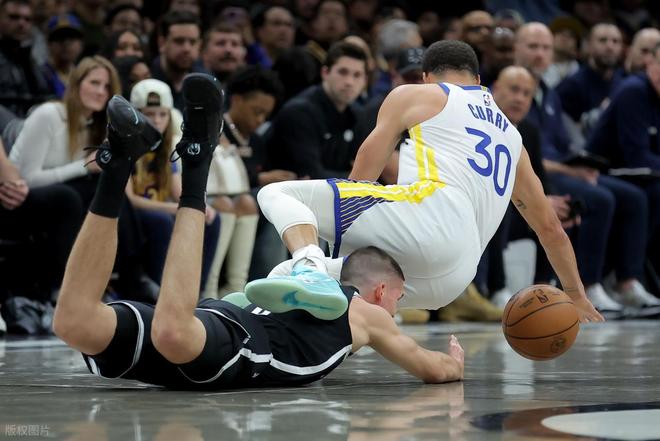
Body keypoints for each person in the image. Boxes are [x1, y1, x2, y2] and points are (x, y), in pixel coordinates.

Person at [52, 74, 465, 389]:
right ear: (380, 290)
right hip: (232, 344)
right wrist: (453, 364)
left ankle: (118, 163)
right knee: (173, 333)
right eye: (398, 297)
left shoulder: (303, 293)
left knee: (74, 324)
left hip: (210, 328)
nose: (397, 309)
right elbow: (430, 367)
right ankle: (198, 160)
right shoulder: (368, 314)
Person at [256, 40, 603, 323]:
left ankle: (310, 265)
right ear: (478, 80)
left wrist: (343, 230)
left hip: (425, 225)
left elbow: (363, 174)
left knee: (277, 193)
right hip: (454, 279)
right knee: (294, 278)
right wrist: (576, 295)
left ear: (425, 77)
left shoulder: (419, 95)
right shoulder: (514, 140)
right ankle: (273, 315)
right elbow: (551, 229)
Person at [125, 78, 220, 289]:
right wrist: (172, 208)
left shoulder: (167, 147)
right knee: (162, 221)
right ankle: (161, 288)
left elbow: (179, 192)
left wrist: (201, 207)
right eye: (150, 114)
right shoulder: (126, 145)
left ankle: (196, 290)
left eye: (163, 114)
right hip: (132, 214)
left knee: (212, 219)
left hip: (160, 210)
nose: (157, 121)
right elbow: (131, 200)